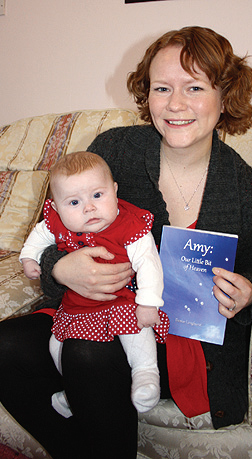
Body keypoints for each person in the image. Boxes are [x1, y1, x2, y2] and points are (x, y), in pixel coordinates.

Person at [0, 26, 252, 459]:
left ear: (225, 97)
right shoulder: (114, 150)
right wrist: (58, 266)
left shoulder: (250, 189)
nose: (176, 103)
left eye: (195, 87)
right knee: (7, 345)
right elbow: (52, 228)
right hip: (91, 308)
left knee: (88, 353)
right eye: (162, 87)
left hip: (177, 340)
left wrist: (248, 290)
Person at [19, 151, 169, 418]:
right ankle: (72, 388)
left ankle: (146, 374)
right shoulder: (57, 223)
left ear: (114, 190)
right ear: (56, 206)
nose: (89, 208)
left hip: (122, 302)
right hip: (76, 307)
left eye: (98, 196)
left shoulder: (130, 225)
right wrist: (29, 257)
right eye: (74, 202)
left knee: (137, 331)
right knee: (57, 345)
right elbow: (39, 235)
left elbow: (149, 264)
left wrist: (148, 302)